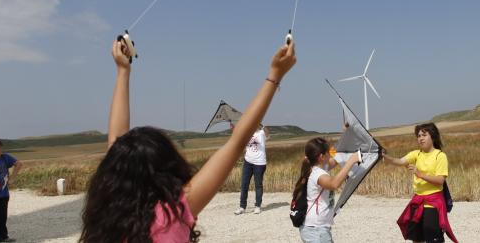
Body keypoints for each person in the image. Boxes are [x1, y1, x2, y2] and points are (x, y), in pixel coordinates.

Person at [79, 38, 296, 242]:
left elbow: (117, 149)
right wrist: (275, 76)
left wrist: (122, 71)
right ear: (166, 169)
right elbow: (237, 142)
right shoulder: (170, 216)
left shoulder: (104, 221)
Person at [382, 123, 457, 243]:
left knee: (433, 239)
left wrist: (419, 174)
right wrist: (383, 156)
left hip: (433, 203)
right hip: (418, 201)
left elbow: (440, 180)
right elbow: (399, 161)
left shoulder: (440, 156)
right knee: (416, 238)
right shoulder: (416, 154)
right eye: (418, 136)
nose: (420, 138)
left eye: (424, 135)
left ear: (432, 136)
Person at [291, 137, 360, 243]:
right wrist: (351, 161)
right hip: (316, 230)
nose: (330, 154)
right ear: (321, 157)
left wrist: (346, 135)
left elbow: (335, 159)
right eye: (328, 152)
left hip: (315, 228)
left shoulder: (317, 167)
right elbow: (334, 184)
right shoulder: (318, 174)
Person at [236, 124, 269, 215]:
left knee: (258, 185)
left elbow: (267, 132)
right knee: (244, 185)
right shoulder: (247, 133)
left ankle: (257, 206)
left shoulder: (261, 133)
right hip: (248, 162)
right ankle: (242, 207)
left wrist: (261, 125)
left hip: (259, 163)